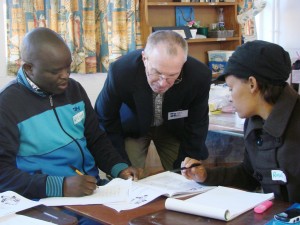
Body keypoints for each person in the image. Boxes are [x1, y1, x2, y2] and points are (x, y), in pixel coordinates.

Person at [0, 27, 138, 224]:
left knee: (139, 216)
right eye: (55, 71)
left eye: (68, 67)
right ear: (29, 68)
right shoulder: (7, 105)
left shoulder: (74, 90)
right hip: (44, 199)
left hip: (91, 190)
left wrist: (118, 168)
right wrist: (60, 186)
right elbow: (3, 175)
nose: (65, 75)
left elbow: (95, 138)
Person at [181, 40, 300, 202]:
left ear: (252, 84)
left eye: (231, 88)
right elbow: (249, 175)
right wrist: (206, 175)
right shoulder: (255, 122)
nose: (230, 97)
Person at [94, 30, 212, 171]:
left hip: (173, 128)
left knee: (184, 174)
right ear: (145, 58)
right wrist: (119, 166)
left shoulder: (199, 75)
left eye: (172, 75)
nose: (162, 83)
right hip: (134, 126)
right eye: (157, 72)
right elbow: (105, 117)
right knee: (130, 178)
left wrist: (186, 167)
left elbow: (197, 123)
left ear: (183, 64)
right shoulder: (121, 71)